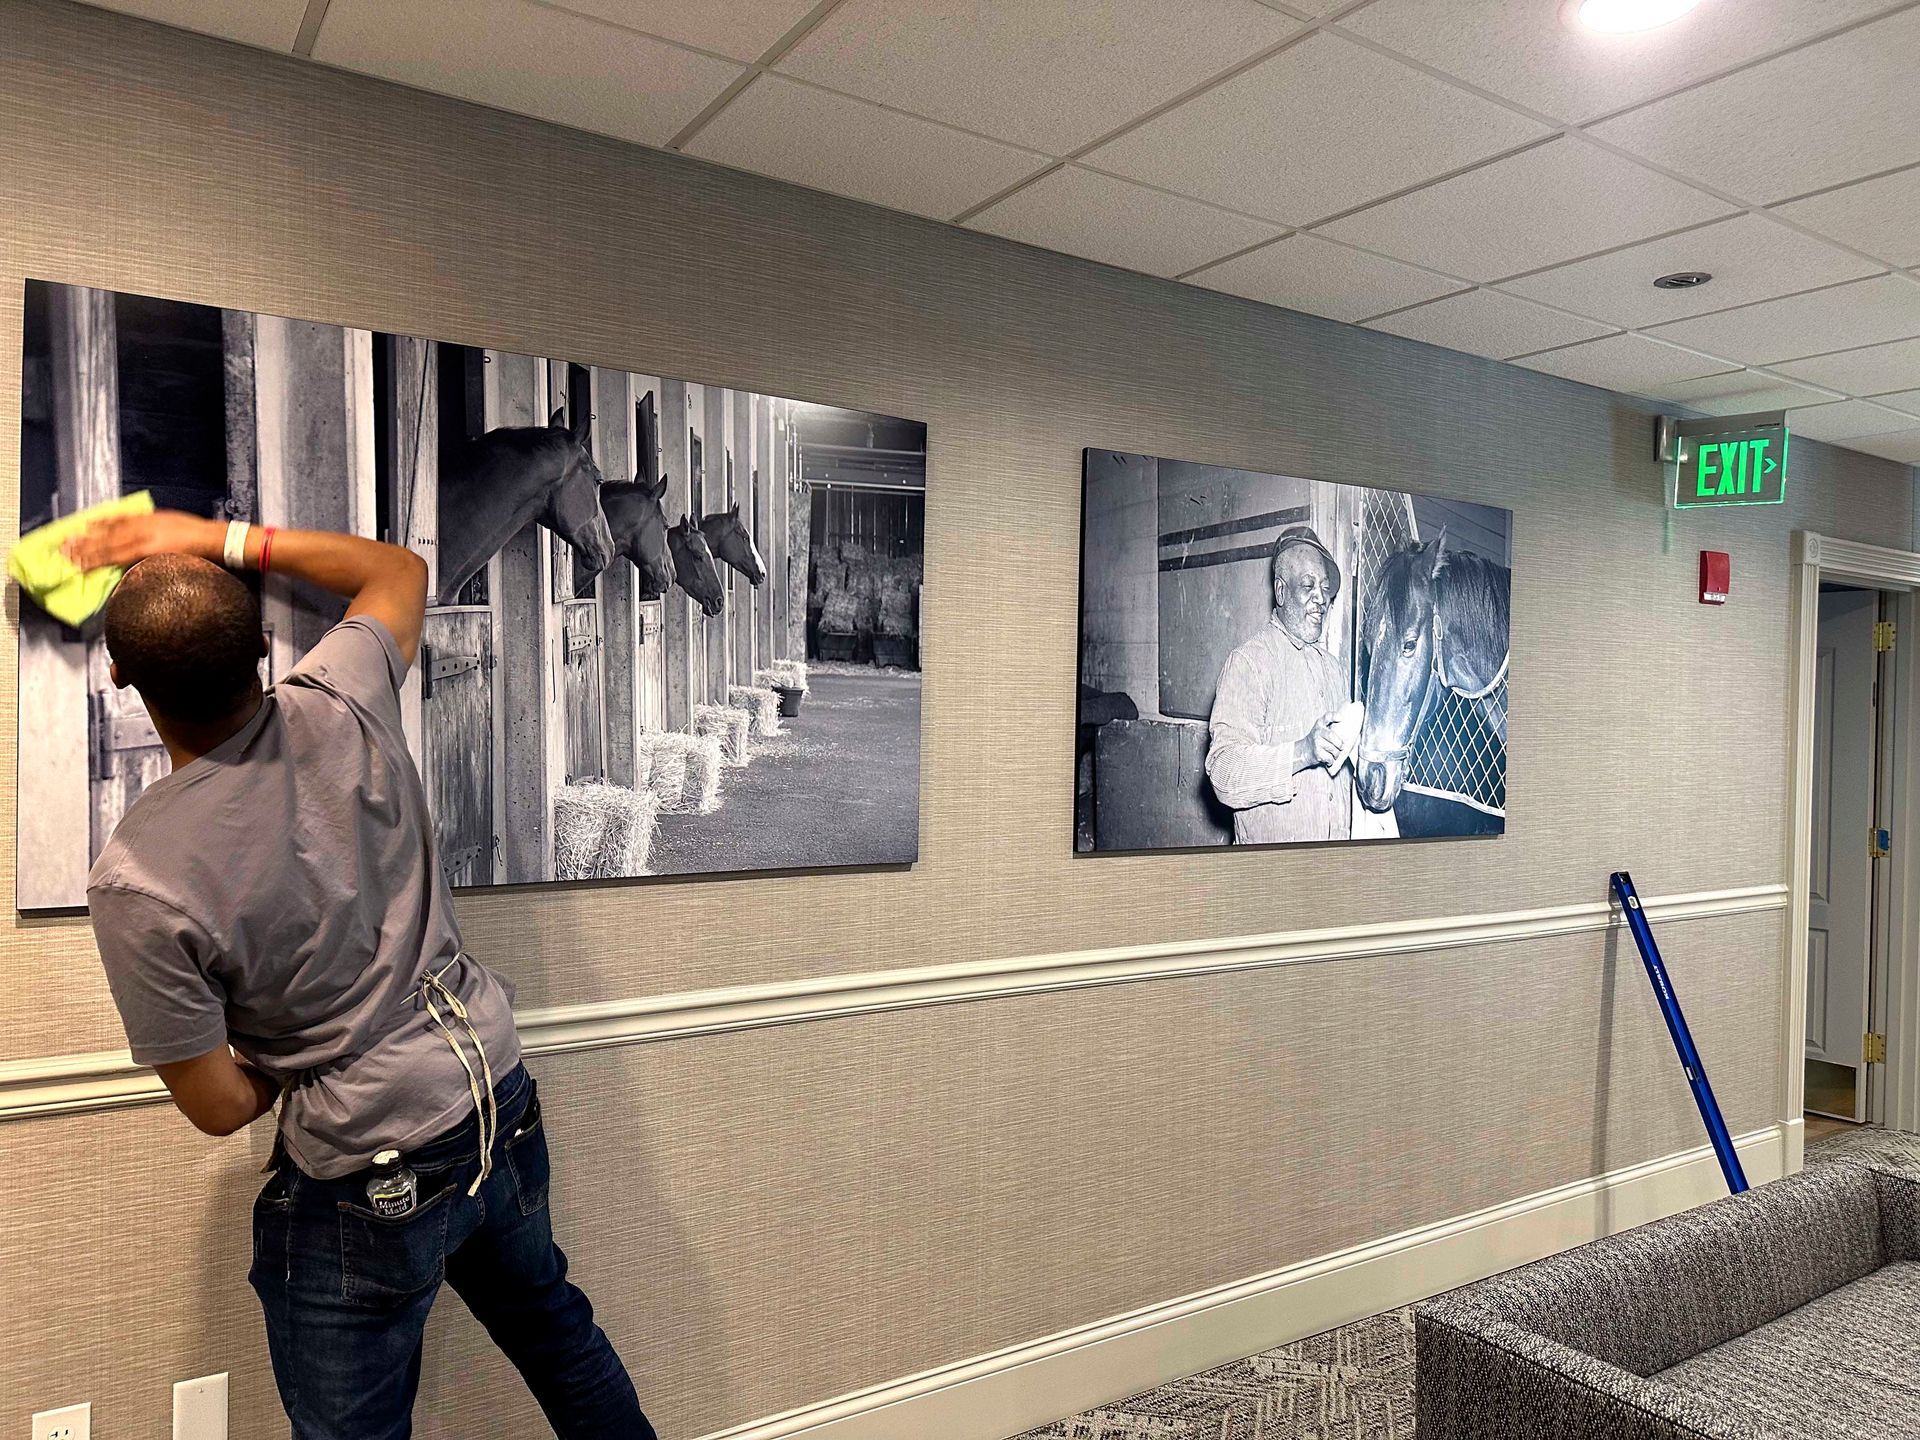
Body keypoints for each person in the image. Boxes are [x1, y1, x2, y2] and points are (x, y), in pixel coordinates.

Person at [67, 510, 654, 1440]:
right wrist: (212, 536)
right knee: (558, 1335)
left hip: (371, 1162)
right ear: (264, 648)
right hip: (491, 1087)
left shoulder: (136, 878)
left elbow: (217, 1105)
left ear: (119, 677)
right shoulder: (338, 693)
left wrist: (305, 1053)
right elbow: (395, 570)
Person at [1205, 524, 1355, 844]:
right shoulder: (1249, 663)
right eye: (1308, 585)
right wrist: (1303, 752)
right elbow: (1223, 772)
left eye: (1324, 588)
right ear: (1282, 592)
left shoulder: (1334, 670)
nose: (1321, 598)